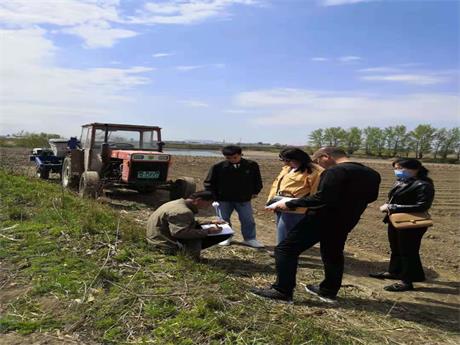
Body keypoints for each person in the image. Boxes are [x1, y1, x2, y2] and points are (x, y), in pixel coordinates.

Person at [251, 147, 381, 303]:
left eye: (318, 160)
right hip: (347, 219)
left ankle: (282, 290)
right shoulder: (372, 174)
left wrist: (291, 204)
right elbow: (371, 198)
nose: (318, 164)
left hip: (322, 218)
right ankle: (328, 290)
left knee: (285, 250)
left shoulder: (335, 172)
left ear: (326, 156)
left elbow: (321, 198)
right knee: (332, 253)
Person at [369, 158, 435, 292]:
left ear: (415, 168)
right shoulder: (403, 181)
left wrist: (392, 207)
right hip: (396, 220)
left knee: (408, 252)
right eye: (396, 168)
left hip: (412, 223)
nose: (397, 171)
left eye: (400, 168)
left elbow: (422, 205)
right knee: (396, 249)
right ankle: (394, 272)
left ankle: (406, 282)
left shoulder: (423, 184)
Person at [204, 145, 264, 248]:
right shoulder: (218, 167)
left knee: (247, 220)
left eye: (235, 157)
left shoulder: (251, 165)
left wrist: (255, 192)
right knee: (223, 219)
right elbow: (209, 183)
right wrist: (212, 197)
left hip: (243, 199)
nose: (232, 160)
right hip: (223, 199)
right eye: (228, 158)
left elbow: (257, 180)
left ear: (241, 154)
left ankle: (250, 239)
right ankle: (225, 237)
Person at [146, 191, 232, 260]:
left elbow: (185, 221)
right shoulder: (182, 211)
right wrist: (208, 231)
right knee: (221, 234)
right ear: (198, 200)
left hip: (157, 238)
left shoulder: (178, 203)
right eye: (208, 204)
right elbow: (180, 233)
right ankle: (188, 255)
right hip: (164, 245)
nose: (209, 207)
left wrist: (209, 222)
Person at [267, 147, 324, 245]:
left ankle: (283, 253)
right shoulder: (287, 169)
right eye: (283, 160)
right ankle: (283, 251)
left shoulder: (314, 172)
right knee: (281, 230)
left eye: (287, 160)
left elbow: (315, 193)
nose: (285, 163)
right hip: (279, 203)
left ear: (298, 159)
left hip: (296, 208)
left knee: (286, 232)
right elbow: (276, 185)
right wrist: (270, 202)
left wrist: (310, 209)